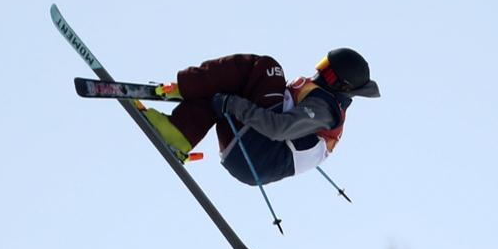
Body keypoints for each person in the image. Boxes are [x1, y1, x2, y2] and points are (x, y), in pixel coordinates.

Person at [144, 48, 380, 186]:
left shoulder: (324, 110)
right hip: (245, 152)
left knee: (267, 67)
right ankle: (176, 134)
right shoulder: (315, 94)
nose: (319, 73)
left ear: (341, 87)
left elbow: (279, 129)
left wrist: (234, 104)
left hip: (260, 154)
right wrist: (229, 101)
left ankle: (185, 86)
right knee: (227, 89)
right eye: (323, 64)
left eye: (327, 74)